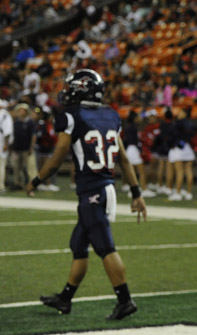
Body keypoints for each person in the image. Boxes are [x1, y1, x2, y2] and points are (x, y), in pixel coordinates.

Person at [26, 69, 147, 320]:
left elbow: (58, 158)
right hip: (103, 189)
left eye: (72, 87)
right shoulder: (112, 115)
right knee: (78, 245)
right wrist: (136, 193)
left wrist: (37, 180)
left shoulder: (71, 116)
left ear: (81, 89)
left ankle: (125, 300)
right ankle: (65, 298)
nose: (67, 91)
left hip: (94, 191)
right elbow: (123, 159)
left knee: (105, 247)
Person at [10, 103, 38, 189]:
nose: (21, 112)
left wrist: (31, 147)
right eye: (19, 110)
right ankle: (18, 183)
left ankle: (33, 184)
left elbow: (33, 135)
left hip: (27, 149)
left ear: (26, 112)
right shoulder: (15, 123)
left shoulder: (30, 122)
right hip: (17, 149)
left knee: (31, 168)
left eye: (23, 110)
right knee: (16, 167)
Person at [0, 99, 13, 193]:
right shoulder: (5, 115)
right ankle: (1, 186)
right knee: (1, 165)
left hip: (1, 143)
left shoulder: (4, 114)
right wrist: (6, 144)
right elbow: (7, 132)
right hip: (1, 143)